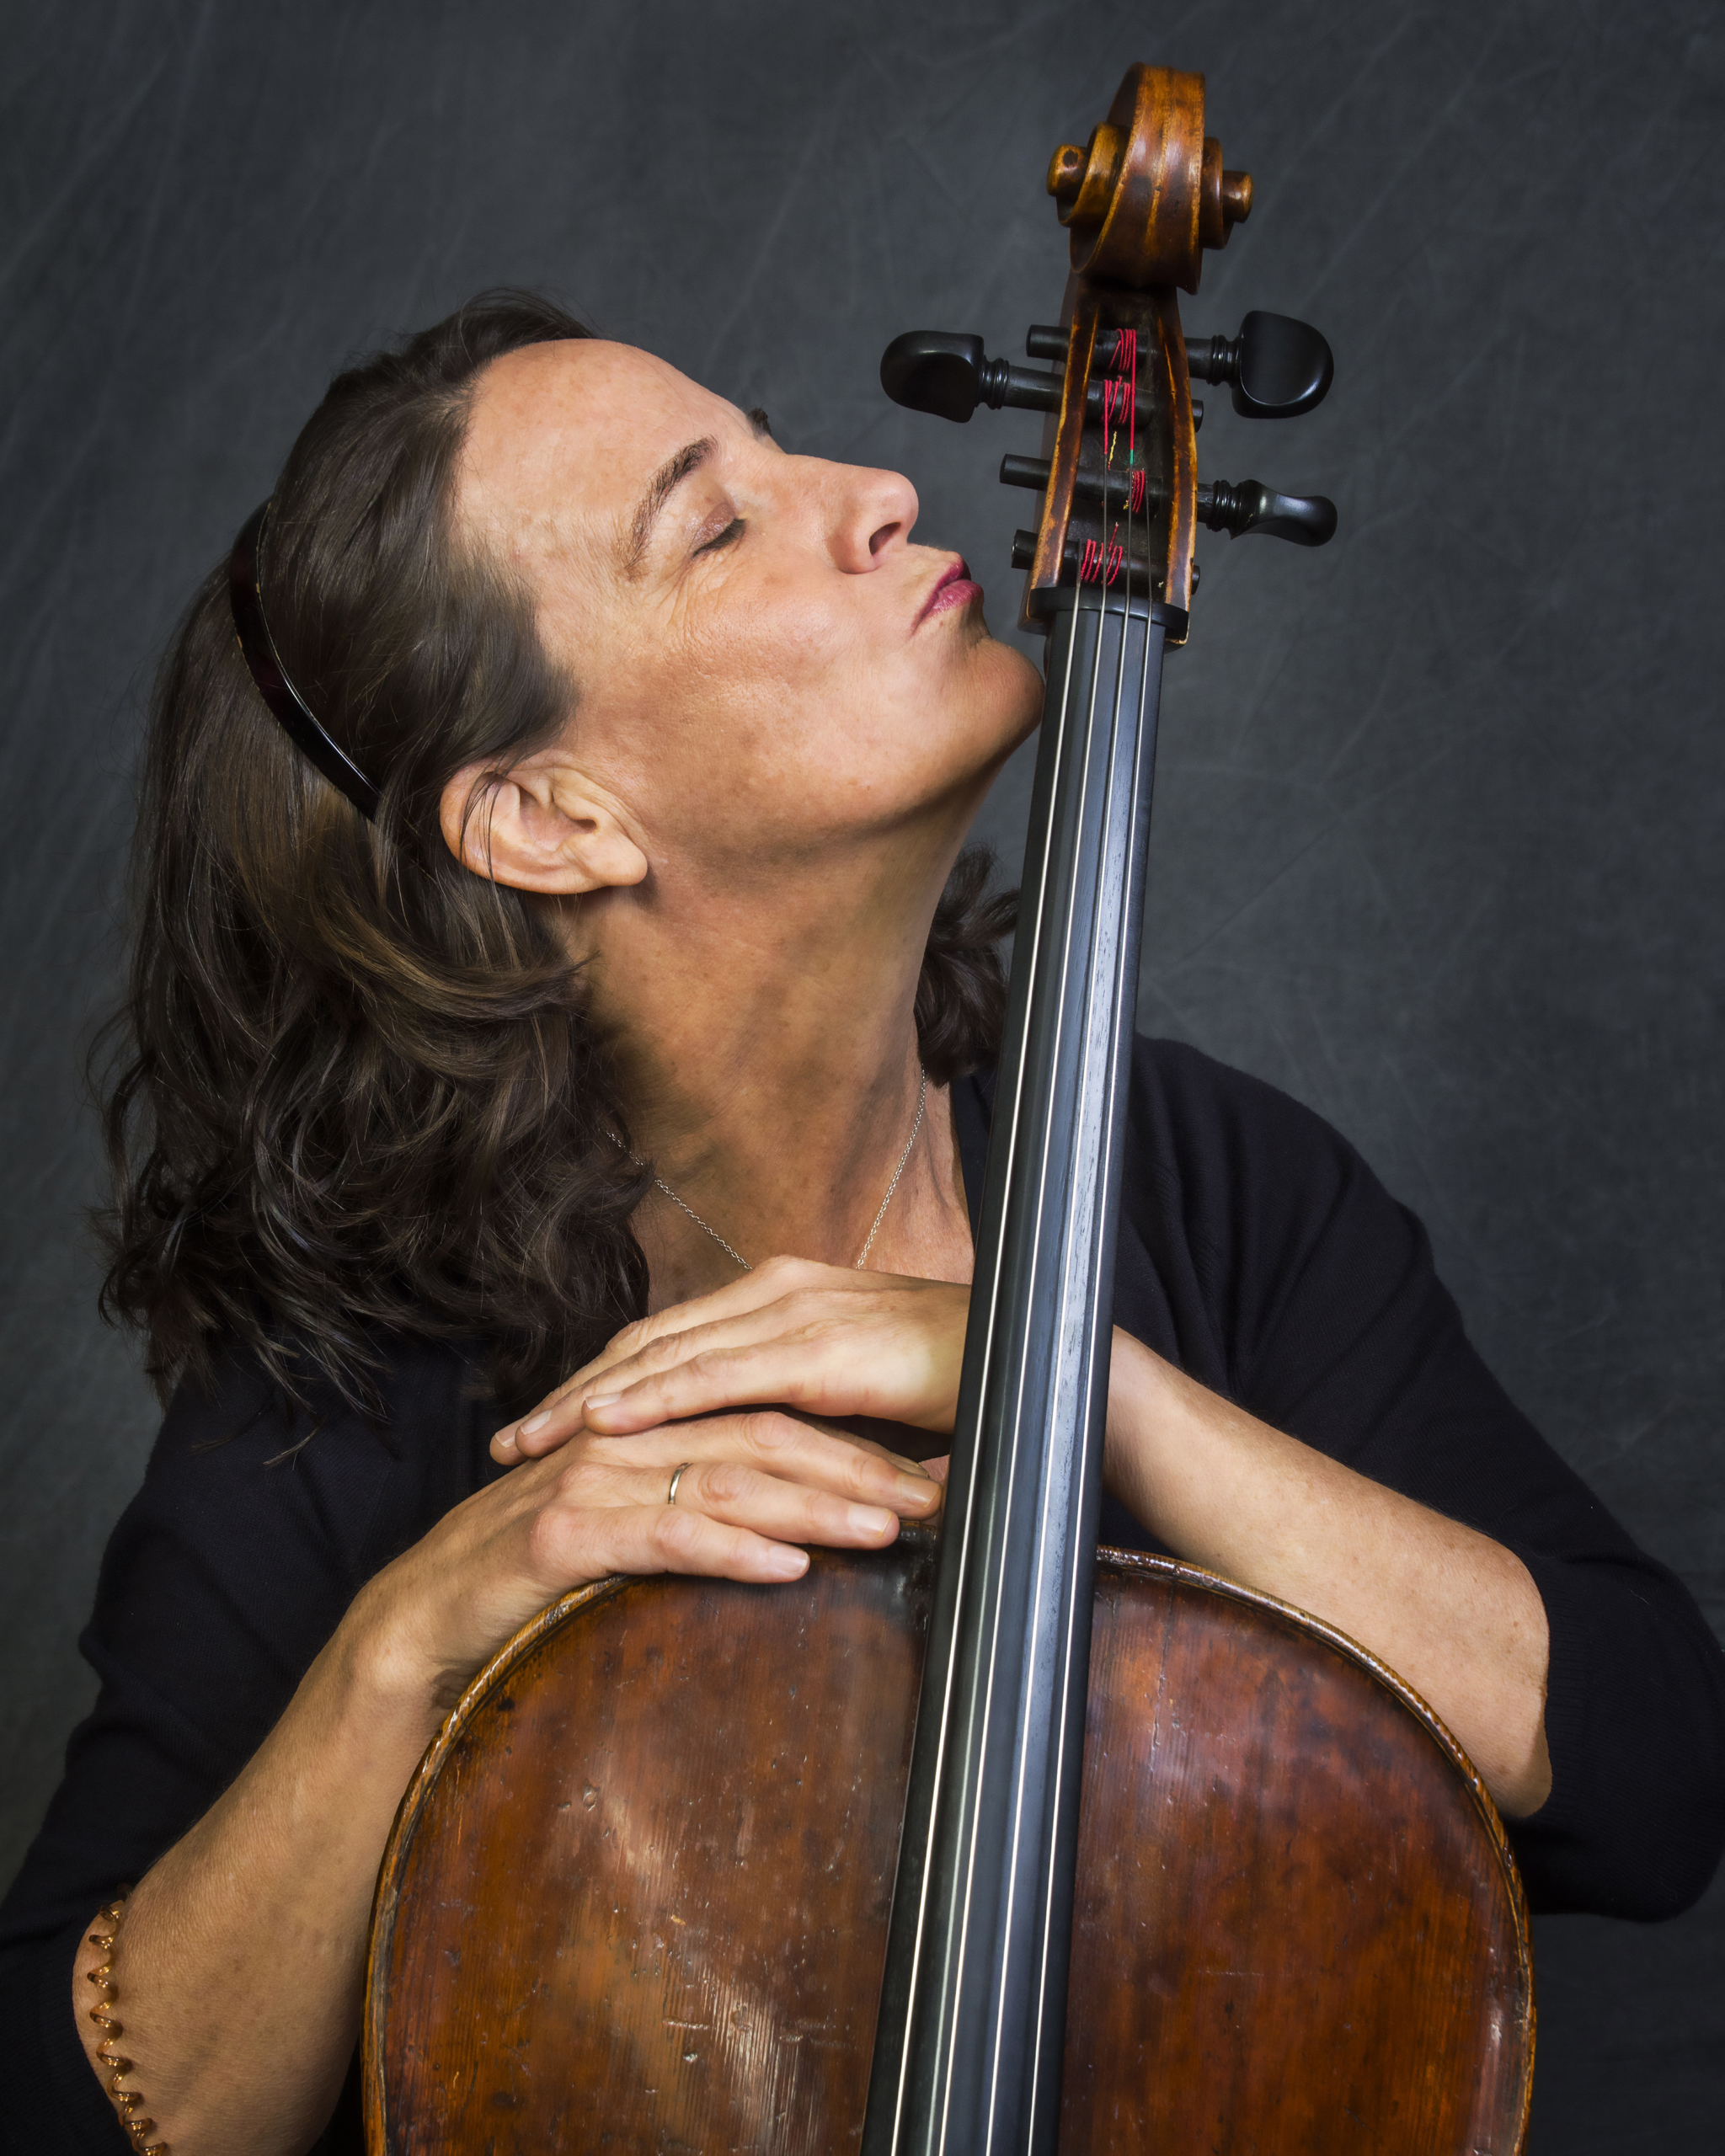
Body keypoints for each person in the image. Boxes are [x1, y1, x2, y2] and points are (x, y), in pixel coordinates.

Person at [3, 290, 1721, 2156]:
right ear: (547, 815)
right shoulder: (350, 1402)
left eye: (776, 443)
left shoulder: (1205, 1188)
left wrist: (1063, 1376)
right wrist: (399, 1652)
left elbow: (1647, 1774)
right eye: (716, 521)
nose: (880, 489)